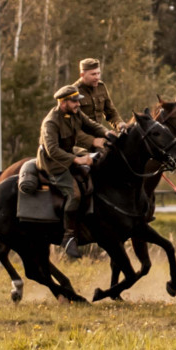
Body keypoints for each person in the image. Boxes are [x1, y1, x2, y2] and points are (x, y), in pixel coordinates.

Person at [37, 84, 115, 258]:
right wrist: (77, 159)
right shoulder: (51, 122)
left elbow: (92, 125)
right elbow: (52, 150)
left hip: (69, 153)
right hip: (54, 164)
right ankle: (69, 236)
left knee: (99, 164)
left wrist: (107, 134)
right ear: (63, 102)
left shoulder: (75, 113)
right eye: (74, 101)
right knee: (75, 194)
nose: (78, 104)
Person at [74, 58, 126, 132]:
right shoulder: (73, 91)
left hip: (100, 133)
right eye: (93, 74)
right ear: (82, 75)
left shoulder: (101, 87)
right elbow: (74, 124)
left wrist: (119, 123)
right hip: (81, 138)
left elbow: (110, 112)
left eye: (98, 73)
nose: (97, 77)